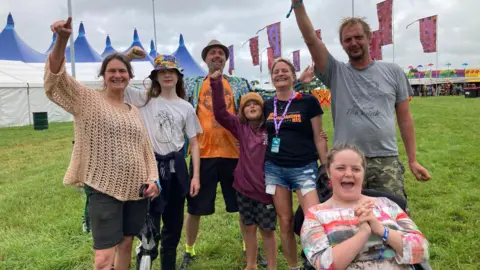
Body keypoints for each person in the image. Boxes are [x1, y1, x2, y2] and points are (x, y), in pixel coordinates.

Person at [45, 17, 160, 270]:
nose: (117, 75)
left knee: (127, 244)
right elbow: (55, 81)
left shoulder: (134, 111)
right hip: (103, 188)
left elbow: (145, 151)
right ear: (104, 76)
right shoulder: (87, 101)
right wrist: (62, 41)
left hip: (136, 190)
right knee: (102, 260)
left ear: (129, 76)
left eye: (122, 71)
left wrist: (154, 180)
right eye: (112, 71)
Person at [290, 0, 431, 203]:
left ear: (369, 38)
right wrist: (298, 5)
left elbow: (405, 118)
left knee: (392, 218)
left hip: (385, 159)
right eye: (347, 39)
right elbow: (312, 40)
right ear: (342, 44)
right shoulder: (335, 73)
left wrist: (412, 160)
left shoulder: (393, 72)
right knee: (345, 220)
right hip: (345, 161)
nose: (353, 43)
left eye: (358, 37)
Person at [124, 52, 202, 270]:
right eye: (162, 72)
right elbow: (117, 79)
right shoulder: (145, 99)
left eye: (171, 72)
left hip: (176, 172)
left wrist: (195, 176)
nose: (167, 75)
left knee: (173, 227)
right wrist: (128, 56)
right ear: (155, 77)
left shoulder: (186, 107)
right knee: (148, 231)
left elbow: (194, 143)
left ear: (178, 77)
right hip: (150, 170)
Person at [301, 144, 429, 269]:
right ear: (329, 172)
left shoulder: (387, 204)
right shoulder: (316, 215)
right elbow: (323, 265)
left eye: (356, 169)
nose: (349, 174)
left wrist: (381, 230)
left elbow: (422, 251)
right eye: (340, 168)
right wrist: (363, 234)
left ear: (363, 174)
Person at [263, 58, 328, 270]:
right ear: (272, 78)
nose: (280, 74)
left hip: (304, 167)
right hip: (275, 169)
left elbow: (319, 136)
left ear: (293, 75)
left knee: (313, 219)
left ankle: (315, 262)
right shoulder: (266, 104)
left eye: (284, 71)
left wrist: (326, 167)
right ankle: (294, 267)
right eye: (276, 72)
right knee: (286, 221)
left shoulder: (308, 102)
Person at [210, 69, 277, 270]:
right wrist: (216, 84)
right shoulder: (240, 128)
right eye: (247, 104)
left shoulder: (272, 128)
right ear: (242, 111)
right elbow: (221, 112)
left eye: (255, 103)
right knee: (248, 227)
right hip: (244, 188)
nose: (252, 106)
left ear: (262, 108)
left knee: (267, 231)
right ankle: (251, 265)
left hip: (266, 190)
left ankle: (272, 266)